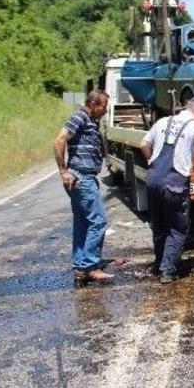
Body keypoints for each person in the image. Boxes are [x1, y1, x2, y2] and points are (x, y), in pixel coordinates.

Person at [139, 96, 194, 284]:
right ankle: (168, 271)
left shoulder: (162, 121)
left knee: (158, 225)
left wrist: (151, 162)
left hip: (152, 180)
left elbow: (144, 145)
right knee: (177, 228)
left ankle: (159, 264)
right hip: (174, 183)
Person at [53, 90, 114, 285]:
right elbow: (59, 140)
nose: (105, 110)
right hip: (81, 178)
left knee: (82, 223)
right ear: (93, 104)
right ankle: (90, 266)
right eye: (103, 106)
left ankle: (80, 265)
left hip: (82, 177)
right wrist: (63, 170)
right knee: (98, 222)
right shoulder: (80, 117)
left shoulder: (90, 120)